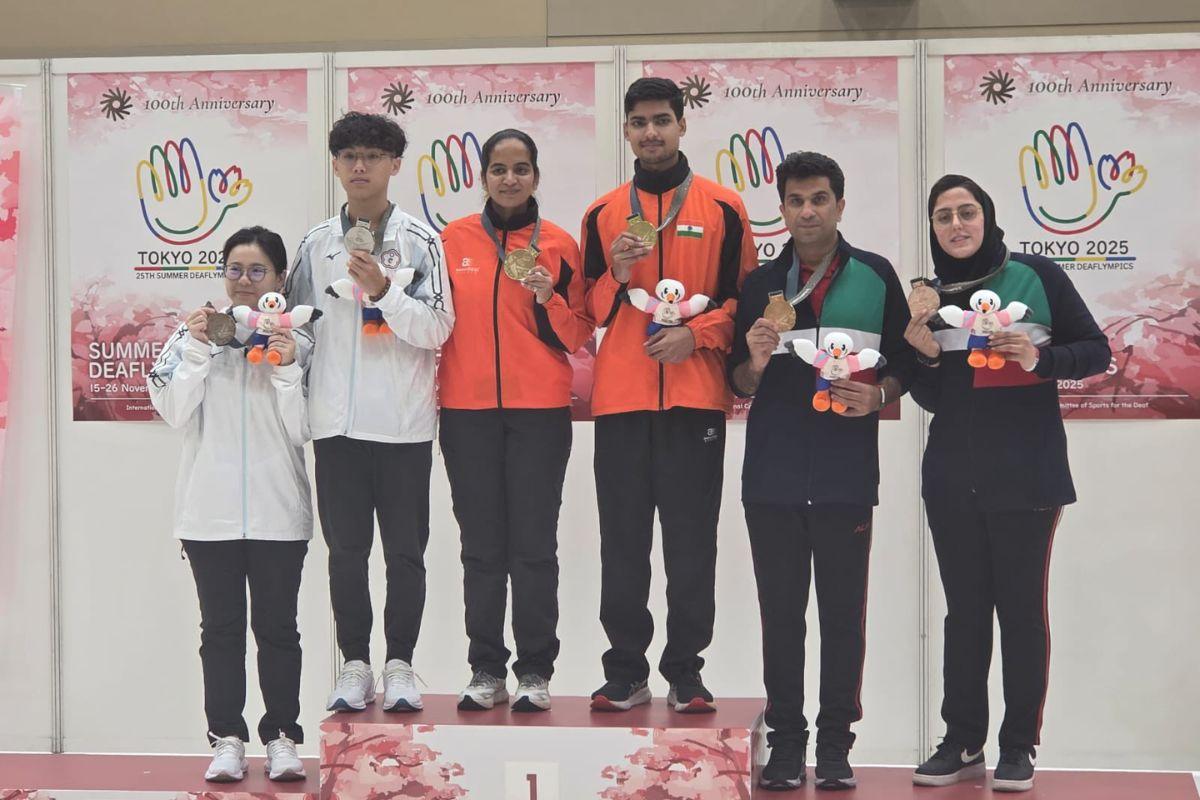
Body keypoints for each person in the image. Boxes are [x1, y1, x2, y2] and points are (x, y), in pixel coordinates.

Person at [908, 175, 1110, 793]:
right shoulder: (928, 296)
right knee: (964, 614)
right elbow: (934, 397)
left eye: (967, 212)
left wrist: (1039, 359)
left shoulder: (1036, 276)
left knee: (1020, 613)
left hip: (1027, 475)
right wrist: (920, 350)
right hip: (951, 477)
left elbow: (1096, 352)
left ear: (987, 219)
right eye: (943, 217)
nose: (956, 225)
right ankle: (962, 739)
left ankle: (1017, 746)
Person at [729, 152, 916, 790]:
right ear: (780, 208)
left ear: (840, 203)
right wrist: (753, 362)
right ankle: (786, 744)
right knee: (781, 615)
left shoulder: (876, 275)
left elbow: (906, 364)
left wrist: (882, 394)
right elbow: (737, 380)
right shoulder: (759, 284)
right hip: (772, 475)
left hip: (845, 472)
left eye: (819, 199)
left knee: (842, 614)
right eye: (796, 201)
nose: (808, 211)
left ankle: (835, 745)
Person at [581, 77, 756, 713]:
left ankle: (686, 668)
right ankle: (626, 669)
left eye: (662, 120)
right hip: (622, 401)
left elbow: (749, 303)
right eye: (639, 122)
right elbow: (590, 312)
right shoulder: (603, 213)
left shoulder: (724, 207)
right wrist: (620, 272)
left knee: (690, 539)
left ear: (682, 125)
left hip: (695, 399)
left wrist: (698, 335)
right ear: (626, 131)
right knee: (621, 539)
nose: (650, 132)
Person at [284, 111, 454, 714]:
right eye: (349, 156)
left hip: (404, 427)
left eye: (373, 156)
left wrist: (386, 291)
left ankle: (401, 664)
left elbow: (438, 328)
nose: (360, 166)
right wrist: (285, 352)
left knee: (406, 554)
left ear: (394, 166)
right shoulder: (314, 245)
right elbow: (299, 329)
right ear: (335, 164)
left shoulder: (420, 241)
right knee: (347, 552)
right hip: (336, 427)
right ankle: (355, 663)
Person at [147, 226, 312, 783]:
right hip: (208, 513)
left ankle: (283, 737)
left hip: (278, 512)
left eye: (257, 271)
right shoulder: (190, 334)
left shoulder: (297, 340)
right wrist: (197, 347)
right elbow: (172, 410)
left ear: (279, 280)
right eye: (236, 271)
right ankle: (227, 738)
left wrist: (287, 370)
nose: (244, 282)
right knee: (219, 630)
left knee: (278, 631)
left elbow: (303, 429)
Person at [437, 128, 592, 712]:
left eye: (521, 168)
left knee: (532, 545)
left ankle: (534, 671)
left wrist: (548, 295)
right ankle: (485, 669)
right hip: (466, 410)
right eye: (499, 169)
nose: (510, 179)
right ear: (482, 176)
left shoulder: (557, 243)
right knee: (480, 547)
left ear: (536, 176)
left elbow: (579, 335)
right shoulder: (451, 240)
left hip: (539, 413)